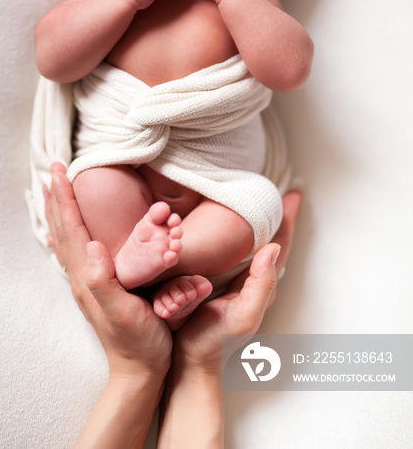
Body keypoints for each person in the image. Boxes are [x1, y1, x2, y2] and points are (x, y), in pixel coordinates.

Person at [34, 0, 313, 327]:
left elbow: (290, 69)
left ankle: (164, 266)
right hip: (121, 164)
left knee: (261, 203)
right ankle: (136, 260)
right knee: (92, 182)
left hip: (217, 187)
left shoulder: (247, 4)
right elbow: (54, 59)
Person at [45, 163, 302, 448]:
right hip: (132, 165)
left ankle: (134, 267)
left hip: (217, 196)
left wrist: (137, 364)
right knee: (95, 182)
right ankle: (144, 264)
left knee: (249, 210)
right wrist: (199, 363)